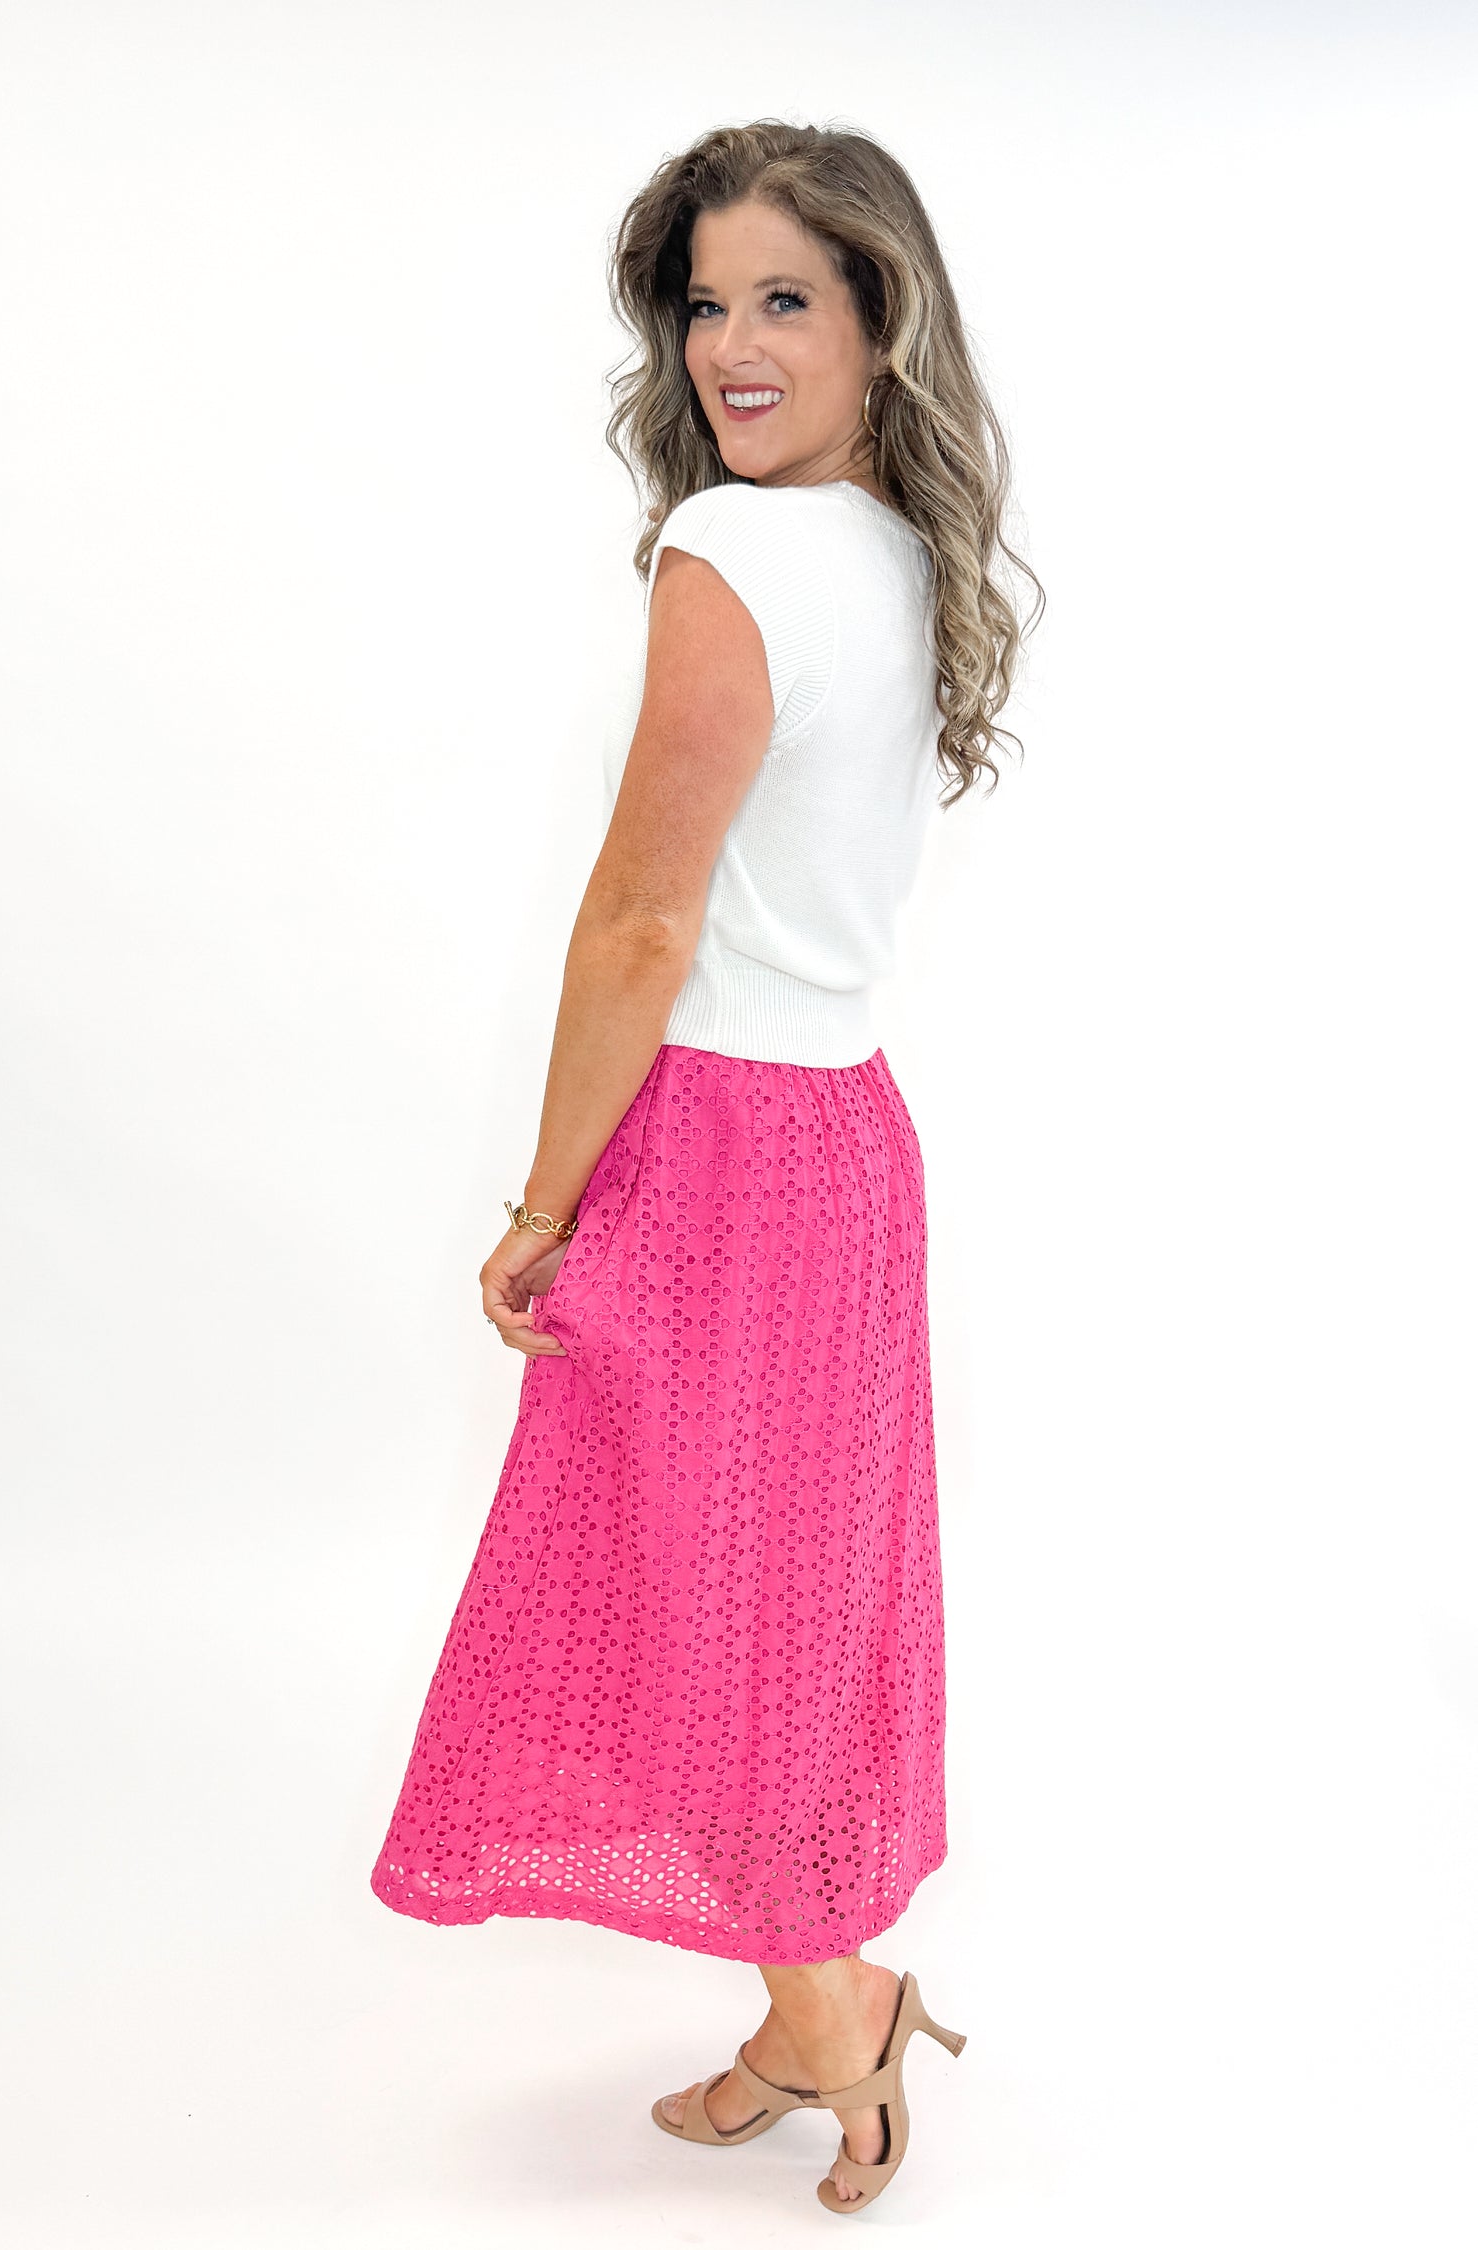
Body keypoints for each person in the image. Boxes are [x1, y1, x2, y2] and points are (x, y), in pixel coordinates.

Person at [369, 117, 1041, 2216]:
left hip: (731, 1152)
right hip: (844, 1143)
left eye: (786, 300)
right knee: (769, 1607)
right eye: (706, 299)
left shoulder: (733, 561)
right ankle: (801, 2008)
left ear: (878, 320)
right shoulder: (895, 542)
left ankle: (838, 2028)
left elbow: (646, 920)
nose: (732, 344)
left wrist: (547, 1198)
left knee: (705, 1611)